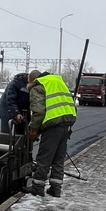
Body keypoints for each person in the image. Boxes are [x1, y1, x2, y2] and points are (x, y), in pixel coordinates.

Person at [27, 69, 77, 198]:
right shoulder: (58, 82)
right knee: (58, 159)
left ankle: (38, 187)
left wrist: (33, 129)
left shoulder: (38, 86)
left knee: (44, 158)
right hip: (66, 123)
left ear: (32, 80)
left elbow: (38, 111)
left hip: (52, 125)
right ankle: (55, 188)